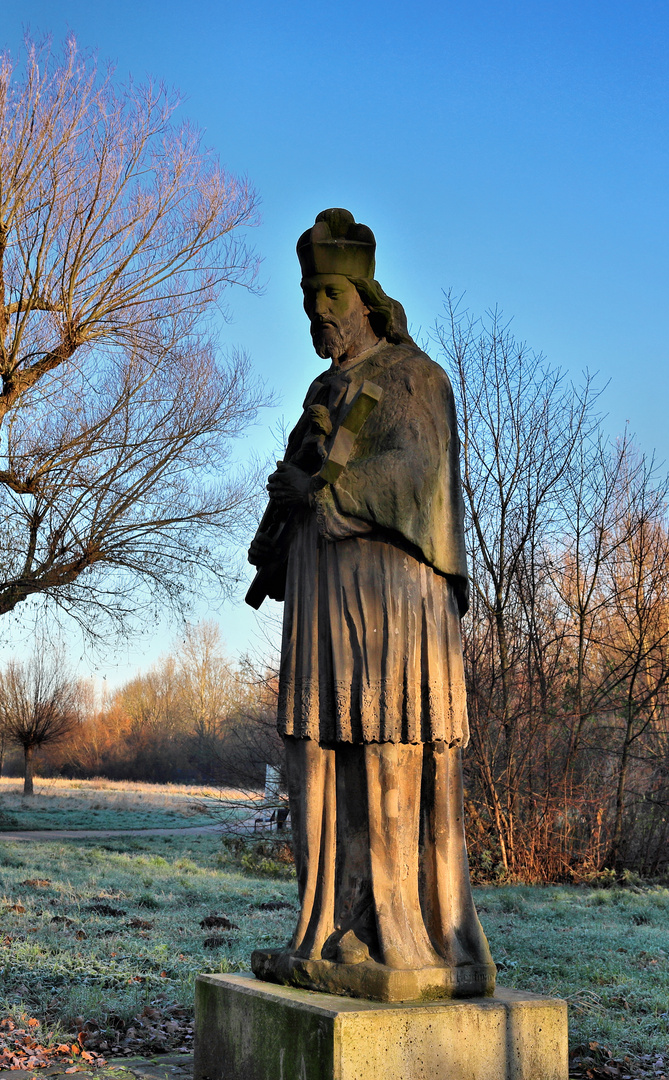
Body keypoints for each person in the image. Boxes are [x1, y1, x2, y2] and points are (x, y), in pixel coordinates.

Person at [247, 209, 495, 1002]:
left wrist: (325, 490)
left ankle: (399, 937)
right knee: (316, 748)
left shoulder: (416, 380)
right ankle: (324, 928)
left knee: (386, 739)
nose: (318, 311)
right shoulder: (324, 390)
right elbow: (298, 481)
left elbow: (419, 479)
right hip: (323, 592)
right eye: (308, 296)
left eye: (330, 293)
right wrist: (285, 507)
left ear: (365, 294)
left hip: (388, 599)